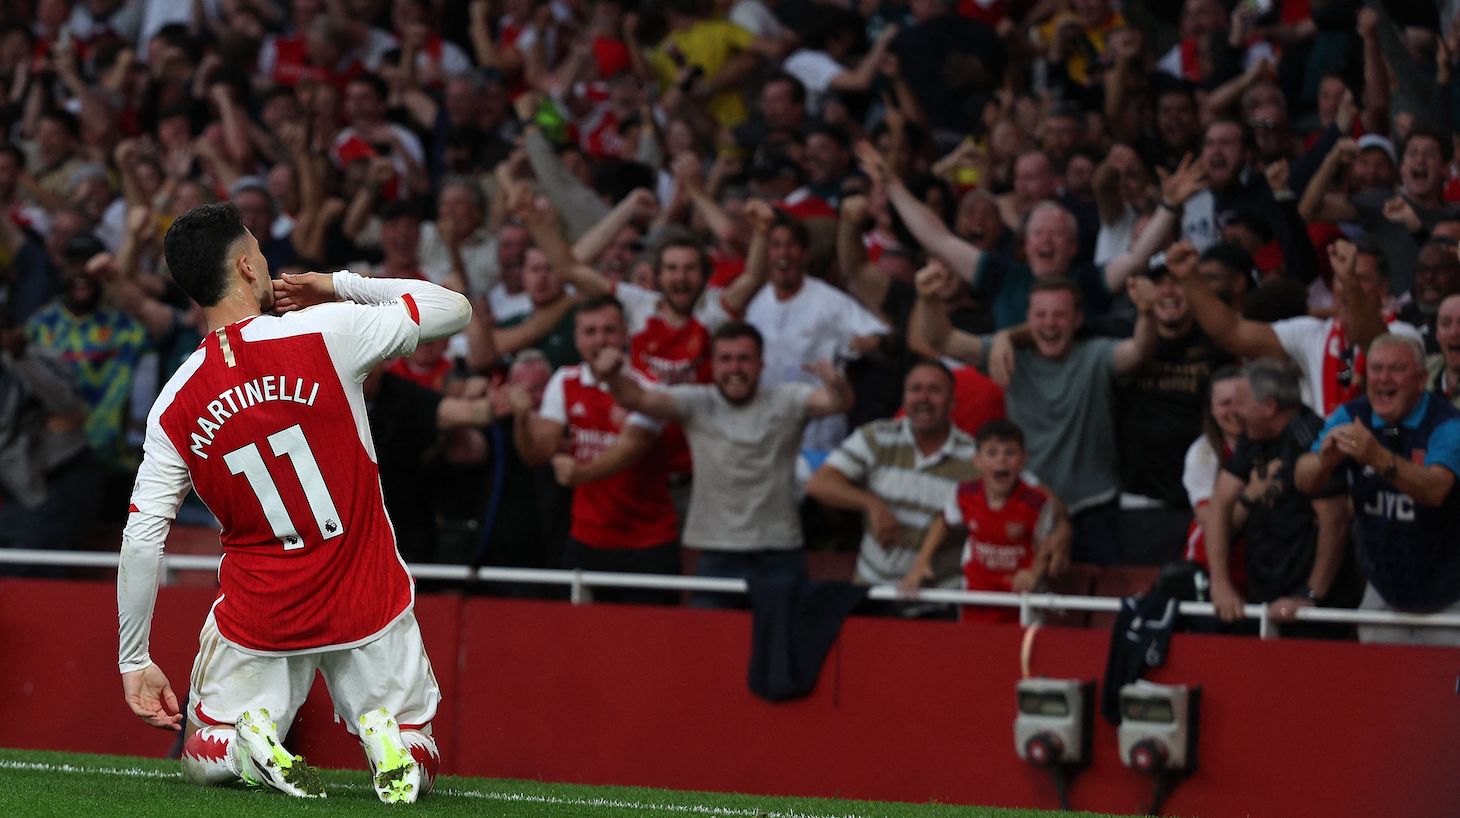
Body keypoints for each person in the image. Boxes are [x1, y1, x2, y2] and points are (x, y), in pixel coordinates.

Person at [118, 202, 471, 802]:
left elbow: (143, 538)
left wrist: (135, 658)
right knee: (418, 746)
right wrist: (337, 284)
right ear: (247, 266)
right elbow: (453, 309)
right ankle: (392, 742)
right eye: (258, 249)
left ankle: (242, 741)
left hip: (262, 613)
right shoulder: (327, 332)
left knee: (206, 756)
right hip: (367, 595)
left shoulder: (173, 403)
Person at [911, 261, 1159, 564]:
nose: (1050, 324)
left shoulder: (1096, 355)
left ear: (1077, 319)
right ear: (1028, 319)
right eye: (1040, 315)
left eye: (1059, 315)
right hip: (1028, 505)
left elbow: (1139, 351)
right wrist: (927, 298)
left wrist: (1146, 313)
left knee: (1097, 605)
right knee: (1027, 603)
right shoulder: (1009, 354)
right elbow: (943, 340)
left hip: (1094, 509)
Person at [594, 321, 852, 607]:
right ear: (713, 365)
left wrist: (836, 382)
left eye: (744, 359)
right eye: (725, 359)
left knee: (783, 648)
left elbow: (835, 402)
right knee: (710, 647)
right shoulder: (697, 401)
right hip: (716, 554)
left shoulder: (787, 398)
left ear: (760, 364)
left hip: (778, 552)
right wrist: (611, 375)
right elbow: (638, 398)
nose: (735, 368)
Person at [512, 293, 680, 604]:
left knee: (649, 644)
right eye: (590, 331)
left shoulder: (651, 387)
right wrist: (521, 421)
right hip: (587, 539)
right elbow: (538, 453)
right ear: (576, 339)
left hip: (648, 541)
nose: (599, 340)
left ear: (625, 334)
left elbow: (631, 448)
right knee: (582, 642)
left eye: (609, 330)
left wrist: (580, 474)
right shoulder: (565, 380)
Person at [1295, 334, 1460, 645]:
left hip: (1451, 596)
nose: (1384, 378)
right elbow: (1303, 480)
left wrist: (1376, 456)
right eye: (1376, 368)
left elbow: (1436, 490)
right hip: (1384, 591)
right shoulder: (1351, 414)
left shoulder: (1448, 424)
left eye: (1396, 368)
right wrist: (1323, 462)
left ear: (1422, 378)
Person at [805, 359, 979, 604]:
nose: (923, 398)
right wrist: (872, 504)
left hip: (940, 601)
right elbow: (819, 484)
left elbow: (1024, 495)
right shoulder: (877, 437)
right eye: (915, 389)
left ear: (952, 403)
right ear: (904, 398)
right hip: (872, 593)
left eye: (934, 390)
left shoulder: (975, 457)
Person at [1202, 358, 1357, 632]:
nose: (1236, 412)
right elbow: (1219, 505)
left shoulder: (1313, 439)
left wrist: (1310, 596)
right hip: (1265, 596)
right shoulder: (1254, 437)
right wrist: (1220, 583)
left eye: (1243, 402)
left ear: (1270, 406)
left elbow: (1335, 522)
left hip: (1315, 611)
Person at [897, 418, 1071, 622]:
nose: (1001, 460)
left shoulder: (1037, 503)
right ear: (977, 460)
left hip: (1020, 603)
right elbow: (943, 522)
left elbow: (1047, 543)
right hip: (975, 599)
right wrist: (921, 562)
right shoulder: (963, 494)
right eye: (992, 453)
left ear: (1024, 459)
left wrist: (1033, 573)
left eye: (1010, 453)